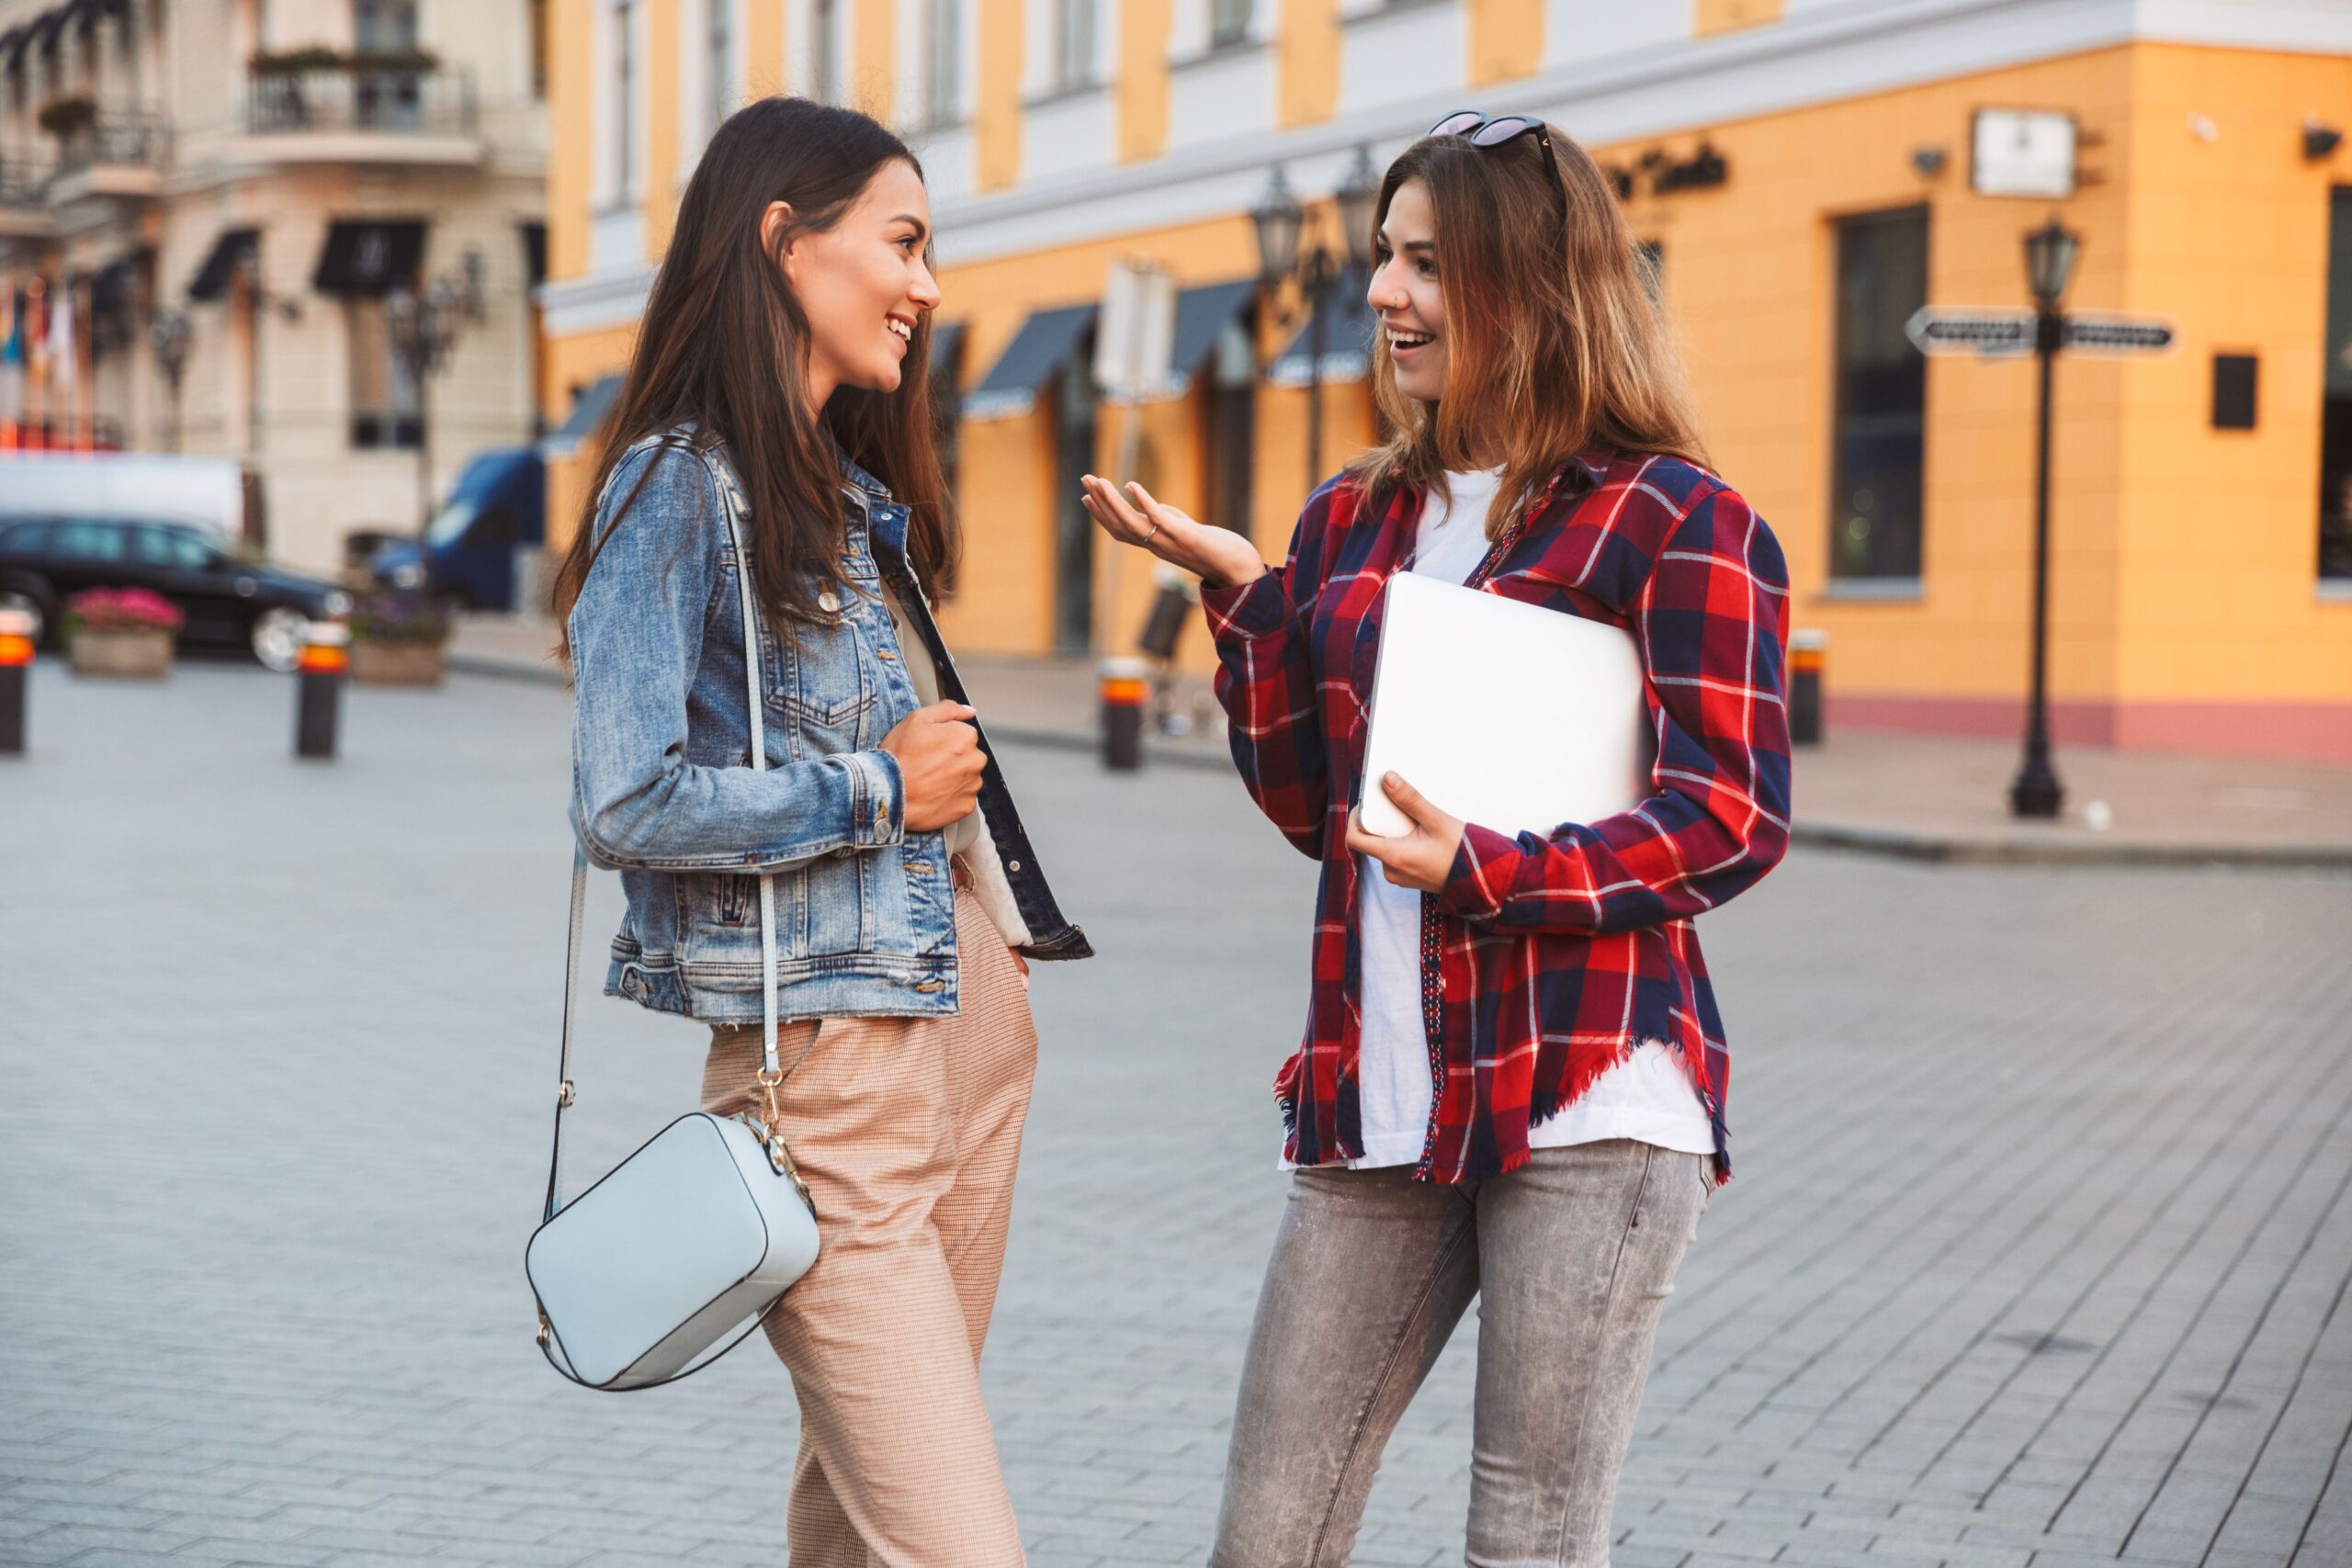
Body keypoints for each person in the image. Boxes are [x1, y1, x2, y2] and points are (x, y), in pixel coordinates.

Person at [1082, 111, 1792, 1566]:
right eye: (1382, 260)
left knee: (1527, 1540)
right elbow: (1310, 813)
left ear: (1531, 286)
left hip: (1588, 1094)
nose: (1386, 295)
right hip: (1383, 1095)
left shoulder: (1676, 521)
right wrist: (1251, 607)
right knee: (1272, 1531)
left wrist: (1496, 869)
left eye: (1427, 264)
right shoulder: (1353, 517)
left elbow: (1729, 814)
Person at [554, 96, 1089, 1568]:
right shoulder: (679, 486)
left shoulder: (844, 499)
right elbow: (625, 799)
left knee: (861, 1522)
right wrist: (873, 792)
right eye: (902, 242)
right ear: (787, 241)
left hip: (966, 1040)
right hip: (831, 1085)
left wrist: (994, 944)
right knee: (958, 1542)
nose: (926, 282)